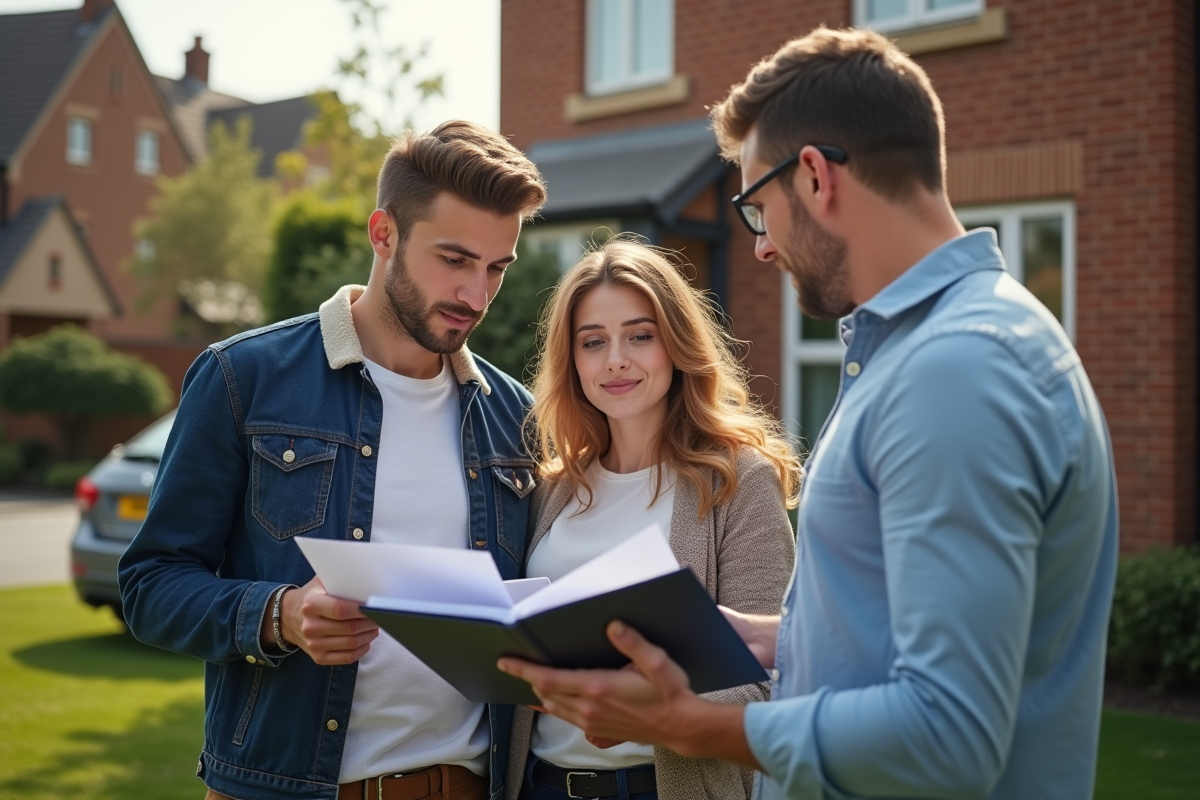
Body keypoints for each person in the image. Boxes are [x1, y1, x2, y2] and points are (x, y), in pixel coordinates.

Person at [499, 27, 1119, 800]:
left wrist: (687, 725)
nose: (760, 248)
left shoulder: (958, 371)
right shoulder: (939, 349)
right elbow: (898, 641)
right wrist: (770, 638)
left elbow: (949, 734)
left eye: (758, 207)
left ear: (817, 177)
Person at [119, 120, 547, 800]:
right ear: (384, 234)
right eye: (455, 259)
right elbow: (149, 585)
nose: (477, 295)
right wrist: (280, 614)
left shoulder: (515, 415)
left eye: (497, 267)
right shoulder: (243, 377)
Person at [504, 240, 798, 800]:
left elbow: (772, 681)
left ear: (677, 346)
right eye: (594, 342)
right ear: (574, 361)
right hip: (540, 785)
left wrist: (645, 710)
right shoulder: (553, 487)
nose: (616, 359)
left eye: (640, 336)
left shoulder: (739, 481)